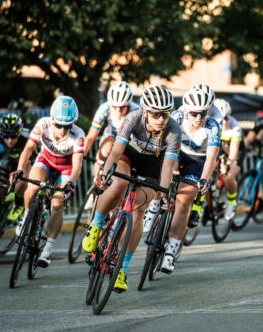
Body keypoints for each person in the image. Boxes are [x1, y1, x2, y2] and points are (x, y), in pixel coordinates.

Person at [81, 85, 181, 293]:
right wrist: (104, 174)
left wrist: (162, 194)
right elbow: (116, 151)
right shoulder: (133, 119)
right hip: (129, 156)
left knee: (137, 211)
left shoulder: (173, 131)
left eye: (165, 114)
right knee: (118, 183)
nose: (161, 119)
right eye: (156, 114)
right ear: (145, 111)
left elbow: (168, 167)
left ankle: (121, 270)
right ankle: (96, 225)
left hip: (153, 166)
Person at [12, 95, 84, 268]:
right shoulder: (43, 124)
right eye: (59, 125)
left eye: (67, 126)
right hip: (46, 160)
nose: (62, 130)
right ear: (52, 120)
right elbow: (28, 149)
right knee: (32, 187)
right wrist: (20, 170)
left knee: (57, 204)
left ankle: (48, 250)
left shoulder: (78, 135)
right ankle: (26, 216)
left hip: (65, 168)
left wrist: (70, 184)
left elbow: (77, 166)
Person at [158, 87, 220, 273]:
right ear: (185, 110)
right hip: (177, 154)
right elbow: (162, 143)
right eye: (194, 113)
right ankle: (156, 206)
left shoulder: (213, 126)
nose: (198, 118)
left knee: (184, 200)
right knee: (166, 169)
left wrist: (204, 180)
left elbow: (211, 158)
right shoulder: (176, 117)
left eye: (203, 113)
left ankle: (171, 252)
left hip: (197, 161)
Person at [83, 82, 139, 208]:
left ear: (129, 103)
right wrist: (80, 156)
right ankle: (95, 185)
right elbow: (91, 137)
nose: (118, 110)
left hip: (129, 141)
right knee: (105, 149)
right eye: (115, 106)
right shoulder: (105, 108)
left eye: (122, 107)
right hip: (111, 135)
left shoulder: (136, 111)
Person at [0, 114, 36, 222]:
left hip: (28, 163)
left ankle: (19, 204)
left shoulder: (26, 139)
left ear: (19, 133)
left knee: (23, 180)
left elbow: (26, 165)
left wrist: (14, 187)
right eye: (6, 136)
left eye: (13, 137)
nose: (9, 140)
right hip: (11, 161)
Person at [213, 98, 245, 220]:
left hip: (234, 150)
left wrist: (228, 163)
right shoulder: (211, 124)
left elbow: (234, 150)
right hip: (219, 148)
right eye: (221, 118)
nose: (224, 122)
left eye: (227, 118)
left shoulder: (235, 126)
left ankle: (231, 202)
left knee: (229, 176)